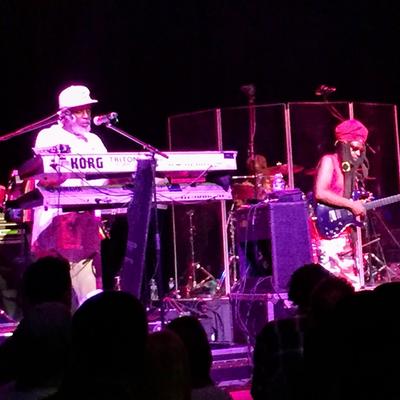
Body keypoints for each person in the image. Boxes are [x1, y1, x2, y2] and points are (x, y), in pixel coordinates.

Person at [30, 85, 108, 306]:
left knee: (90, 300)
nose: (86, 116)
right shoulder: (49, 136)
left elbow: (105, 177)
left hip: (85, 231)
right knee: (53, 299)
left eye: (88, 110)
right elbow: (50, 176)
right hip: (55, 230)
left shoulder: (94, 141)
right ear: (64, 115)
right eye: (79, 111)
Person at [312, 118, 370, 288]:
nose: (358, 153)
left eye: (361, 150)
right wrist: (351, 205)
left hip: (346, 236)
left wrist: (359, 203)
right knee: (331, 287)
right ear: (343, 145)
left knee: (351, 286)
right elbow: (320, 193)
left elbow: (347, 201)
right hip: (329, 237)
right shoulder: (329, 161)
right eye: (354, 148)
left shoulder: (351, 170)